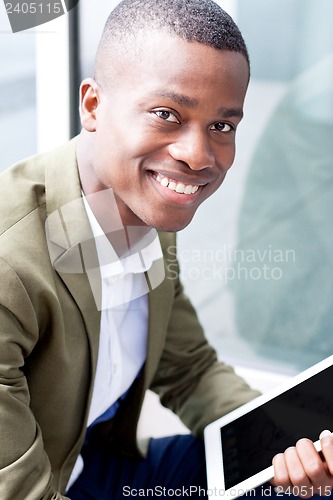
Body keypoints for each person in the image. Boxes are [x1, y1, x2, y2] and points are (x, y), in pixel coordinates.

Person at [0, 0, 332, 498]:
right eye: (166, 114)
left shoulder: (138, 206)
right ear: (92, 106)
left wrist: (284, 445)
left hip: (96, 468)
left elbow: (190, 370)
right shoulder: (10, 267)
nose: (198, 156)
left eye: (222, 125)